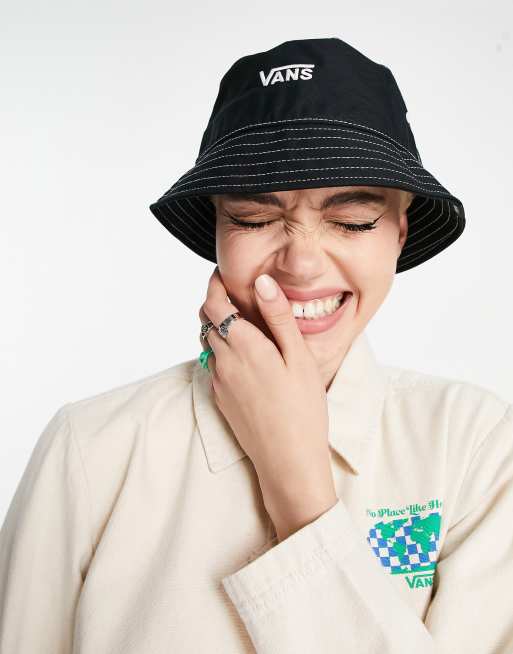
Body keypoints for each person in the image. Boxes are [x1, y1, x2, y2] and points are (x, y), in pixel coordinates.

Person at [0, 37, 512, 654]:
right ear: (217, 229)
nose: (301, 263)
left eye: (351, 220)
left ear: (399, 234)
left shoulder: (476, 446)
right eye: (253, 218)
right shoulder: (91, 447)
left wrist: (301, 494)